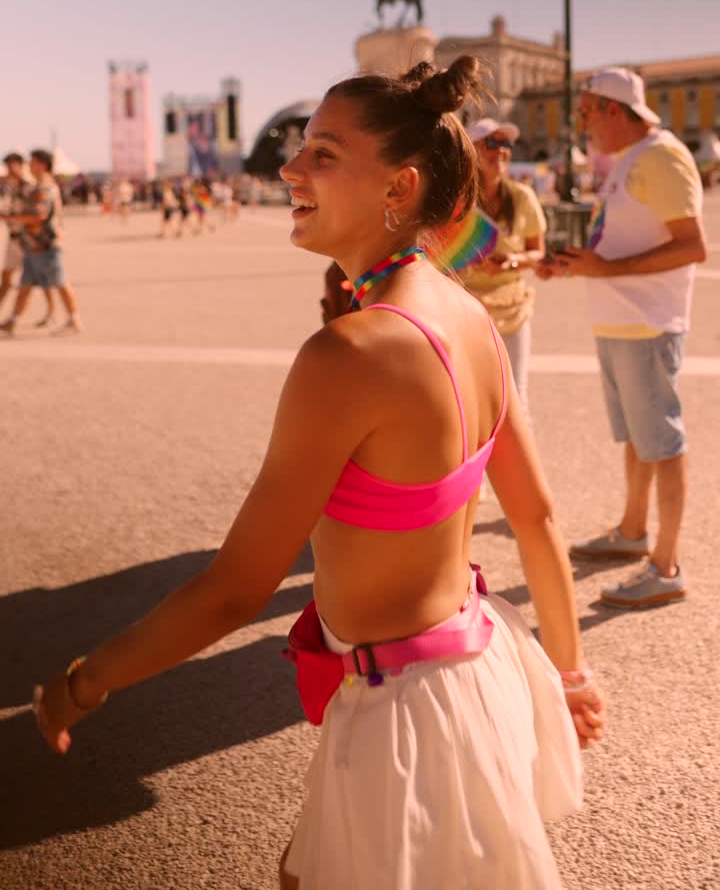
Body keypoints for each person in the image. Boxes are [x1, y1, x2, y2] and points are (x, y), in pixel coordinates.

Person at [34, 59, 603, 889]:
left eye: (324, 155)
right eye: (302, 150)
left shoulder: (348, 354)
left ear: (399, 187)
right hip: (477, 666)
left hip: (404, 716)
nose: (290, 170)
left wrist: (84, 684)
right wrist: (573, 674)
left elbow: (233, 591)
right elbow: (539, 519)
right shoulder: (466, 315)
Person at [537, 67, 706, 608]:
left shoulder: (662, 155)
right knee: (637, 437)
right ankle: (632, 533)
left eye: (585, 111)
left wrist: (605, 271)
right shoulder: (628, 160)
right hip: (619, 320)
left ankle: (667, 565)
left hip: (647, 323)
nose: (581, 122)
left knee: (662, 441)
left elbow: (691, 246)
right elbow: (616, 239)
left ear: (612, 109)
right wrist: (574, 265)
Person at [458, 118, 547, 413]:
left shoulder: (523, 197)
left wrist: (512, 262)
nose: (501, 151)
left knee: (516, 399)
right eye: (491, 143)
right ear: (471, 150)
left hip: (512, 310)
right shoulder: (456, 202)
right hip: (466, 312)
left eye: (506, 143)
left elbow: (537, 254)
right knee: (468, 400)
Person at [0, 149, 81, 336]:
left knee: (60, 282)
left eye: (33, 162)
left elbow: (40, 215)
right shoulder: (40, 184)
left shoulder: (44, 187)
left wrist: (13, 217)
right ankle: (12, 320)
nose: (30, 165)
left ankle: (74, 319)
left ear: (42, 164)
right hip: (33, 244)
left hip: (46, 243)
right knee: (26, 283)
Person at [0, 153, 56, 328]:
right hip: (14, 238)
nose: (11, 168)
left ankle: (52, 311)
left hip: (29, 238)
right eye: (8, 165)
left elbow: (37, 213)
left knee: (39, 277)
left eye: (14, 165)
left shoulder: (30, 186)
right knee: (8, 277)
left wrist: (13, 217)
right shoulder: (5, 186)